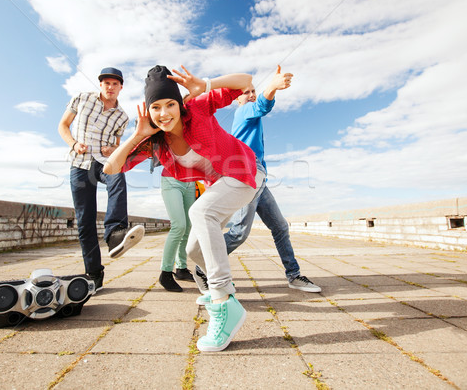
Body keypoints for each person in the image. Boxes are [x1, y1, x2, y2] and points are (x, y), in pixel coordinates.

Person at [104, 64, 264, 352]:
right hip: (222, 185)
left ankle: (223, 301)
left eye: (169, 104)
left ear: (179, 104)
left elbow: (245, 81)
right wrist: (136, 135)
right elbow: (111, 167)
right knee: (192, 251)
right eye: (155, 107)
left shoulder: (198, 109)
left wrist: (206, 83)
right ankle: (212, 287)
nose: (164, 113)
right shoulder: (156, 142)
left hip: (244, 171)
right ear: (148, 110)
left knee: (200, 213)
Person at [194, 67, 320, 306]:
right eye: (247, 92)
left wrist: (270, 88)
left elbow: (261, 106)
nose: (251, 94)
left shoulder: (251, 117)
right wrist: (272, 87)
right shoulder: (244, 112)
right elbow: (262, 105)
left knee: (280, 226)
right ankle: (202, 266)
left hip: (260, 181)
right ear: (237, 98)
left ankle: (294, 275)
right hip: (245, 179)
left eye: (253, 91)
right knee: (239, 232)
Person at [58, 67, 145, 293]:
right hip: (80, 163)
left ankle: (115, 233)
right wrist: (74, 144)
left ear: (120, 87)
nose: (110, 87)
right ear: (101, 84)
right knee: (84, 220)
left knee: (118, 176)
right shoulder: (82, 98)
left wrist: (112, 149)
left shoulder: (122, 117)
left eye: (114, 84)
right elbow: (63, 125)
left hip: (103, 162)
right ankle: (94, 273)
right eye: (106, 83)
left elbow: (118, 144)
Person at [158, 172, 196, 292]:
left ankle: (181, 269)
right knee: (179, 226)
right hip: (171, 179)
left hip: (190, 182)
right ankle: (166, 273)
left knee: (187, 227)